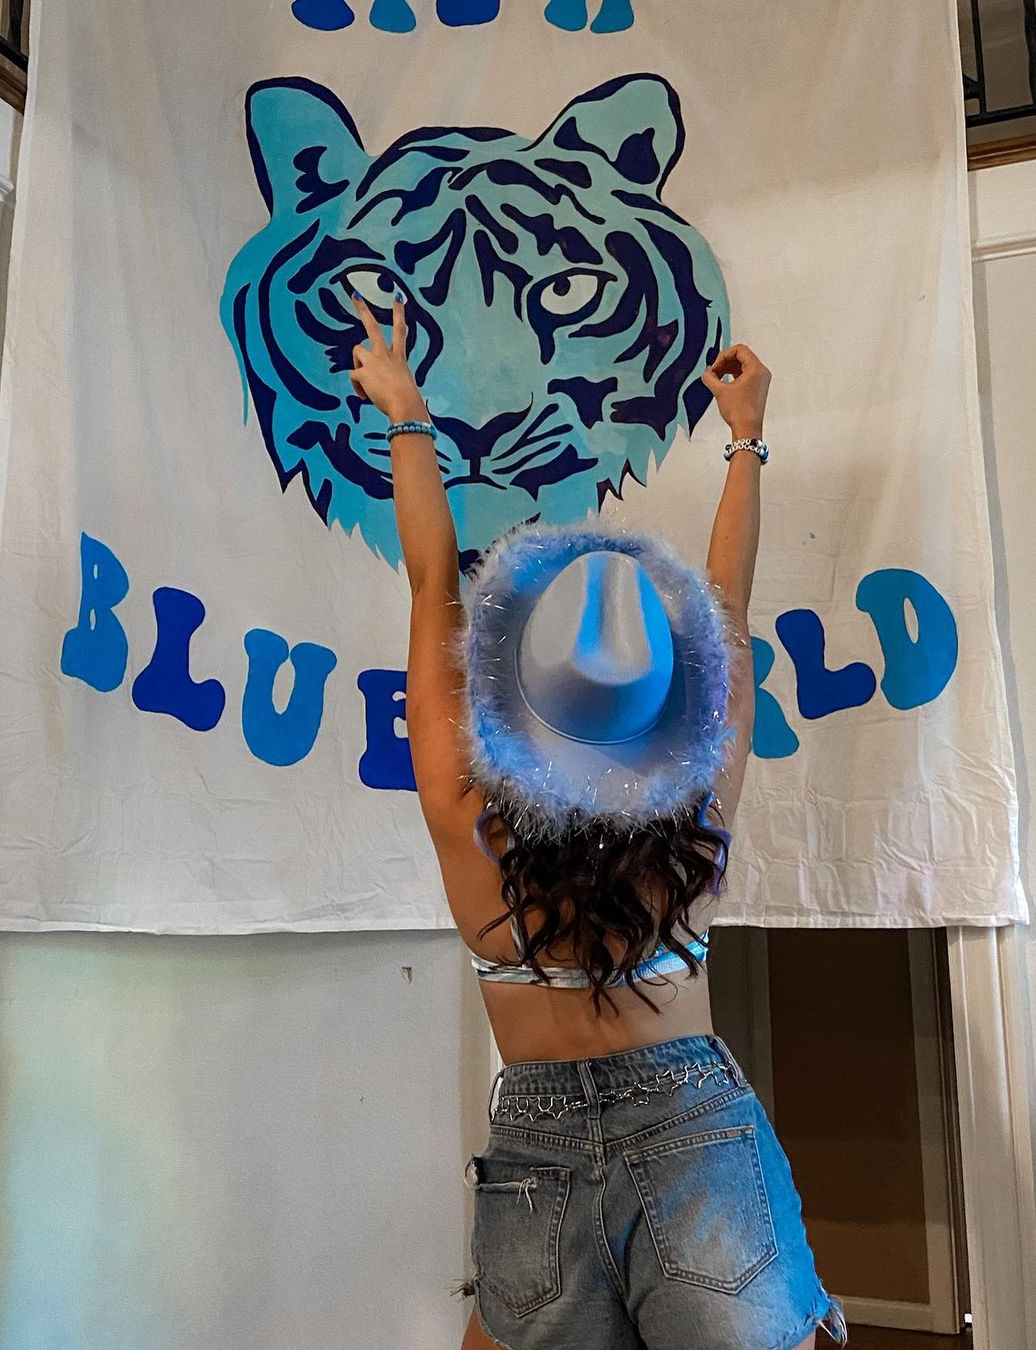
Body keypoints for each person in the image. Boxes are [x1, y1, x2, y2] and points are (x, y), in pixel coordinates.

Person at [348, 291, 848, 1350]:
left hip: (535, 1159)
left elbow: (434, 583)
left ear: (520, 691)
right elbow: (727, 607)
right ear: (664, 702)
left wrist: (406, 412)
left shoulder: (464, 816)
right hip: (695, 1136)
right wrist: (746, 438)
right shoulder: (697, 801)